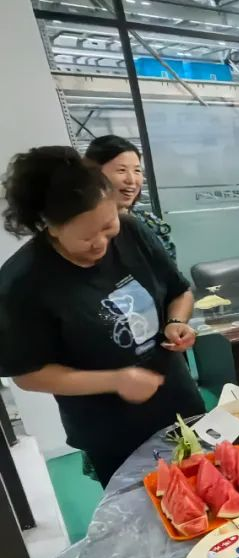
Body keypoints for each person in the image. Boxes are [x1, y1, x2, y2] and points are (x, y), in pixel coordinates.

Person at [0, 147, 204, 484]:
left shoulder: (133, 231)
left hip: (179, 401)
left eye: (108, 227)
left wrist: (176, 322)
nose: (101, 243)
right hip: (111, 430)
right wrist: (116, 380)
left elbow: (179, 292)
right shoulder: (23, 283)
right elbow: (28, 374)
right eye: (86, 237)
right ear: (51, 226)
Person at [85, 134, 176, 262]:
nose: (132, 180)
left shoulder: (152, 225)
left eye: (137, 171)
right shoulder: (80, 230)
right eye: (121, 170)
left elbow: (169, 271)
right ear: (93, 174)